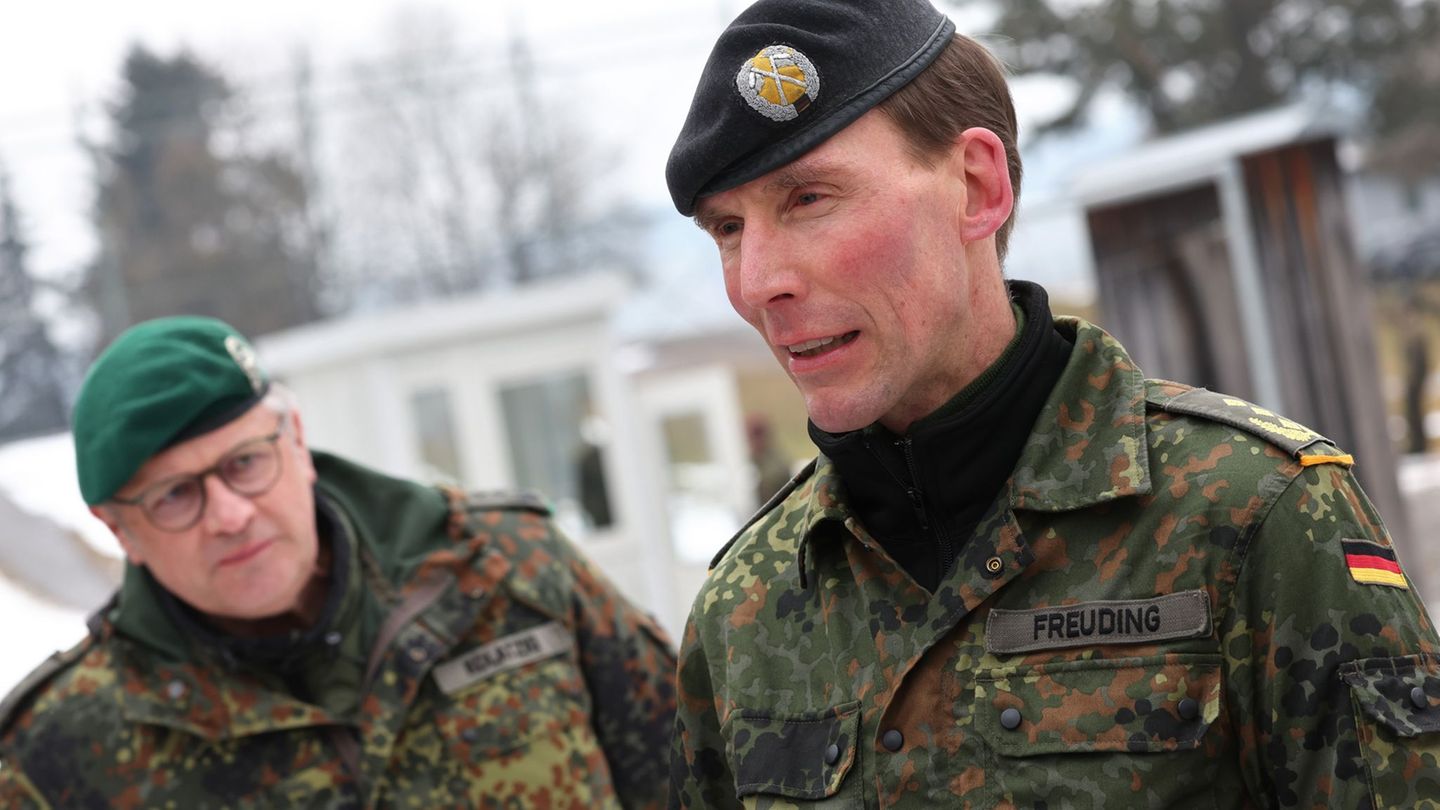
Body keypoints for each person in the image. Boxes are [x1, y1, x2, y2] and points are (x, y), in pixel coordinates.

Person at [663, 0, 1440, 806]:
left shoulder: (1252, 518)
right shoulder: (742, 609)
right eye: (727, 228)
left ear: (976, 186)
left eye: (809, 200)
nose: (758, 283)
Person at [0, 316, 676, 808]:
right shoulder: (59, 752)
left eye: (244, 464)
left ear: (294, 437)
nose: (229, 514)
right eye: (177, 496)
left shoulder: (509, 572)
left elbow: (705, 779)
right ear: (119, 529)